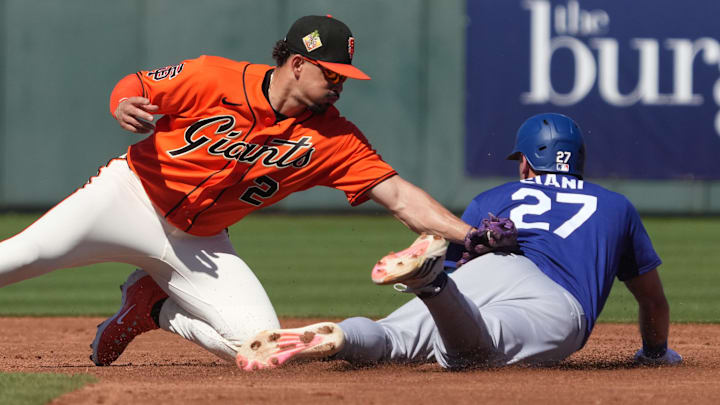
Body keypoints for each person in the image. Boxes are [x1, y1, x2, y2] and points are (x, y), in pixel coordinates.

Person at [0, 15, 474, 366]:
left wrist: (468, 234)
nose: (338, 85)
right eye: (331, 74)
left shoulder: (335, 138)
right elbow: (137, 84)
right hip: (127, 198)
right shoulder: (214, 77)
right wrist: (122, 102)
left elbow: (399, 196)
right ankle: (153, 296)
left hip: (200, 241)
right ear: (296, 64)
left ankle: (156, 307)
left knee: (263, 349)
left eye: (343, 76)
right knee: (15, 260)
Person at [235, 113, 683, 371]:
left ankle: (346, 335)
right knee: (474, 355)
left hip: (490, 268)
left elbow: (461, 263)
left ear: (526, 163)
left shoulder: (494, 198)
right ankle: (430, 285)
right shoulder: (614, 206)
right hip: (557, 302)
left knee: (395, 339)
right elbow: (653, 302)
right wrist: (655, 352)